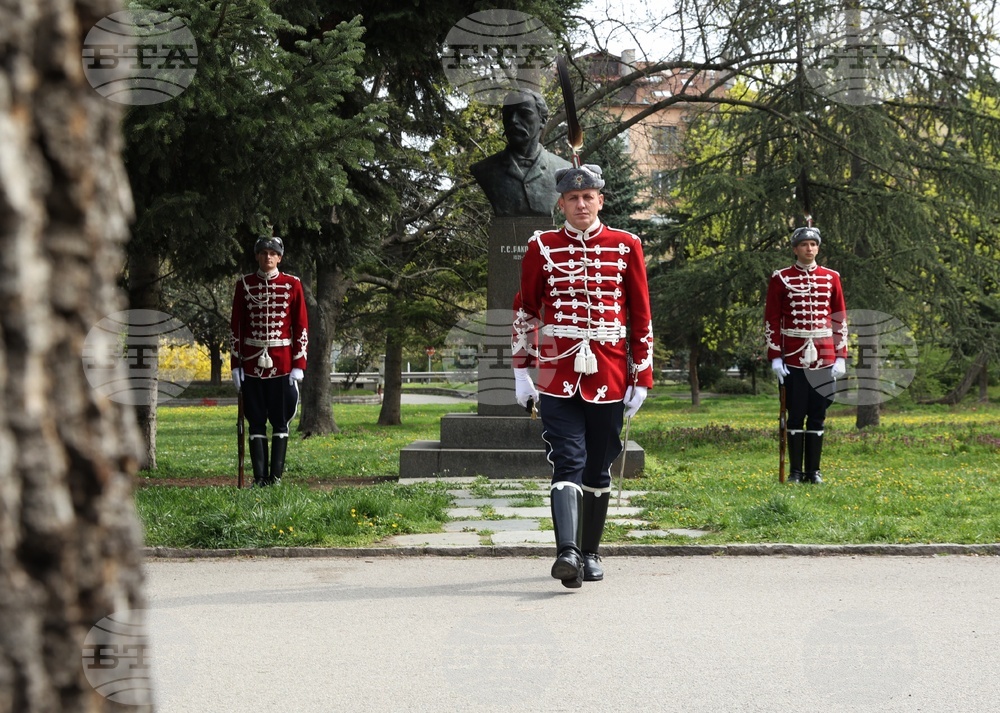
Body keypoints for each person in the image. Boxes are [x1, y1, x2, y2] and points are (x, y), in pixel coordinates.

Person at [511, 163, 654, 587]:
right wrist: (522, 370)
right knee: (567, 460)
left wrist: (641, 375)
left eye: (588, 196)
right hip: (557, 372)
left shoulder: (626, 245)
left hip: (609, 371)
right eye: (572, 198)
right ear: (561, 203)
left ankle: (590, 552)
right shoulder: (542, 246)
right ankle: (567, 553)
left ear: (600, 200)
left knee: (598, 466)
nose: (581, 204)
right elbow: (525, 309)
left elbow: (641, 315)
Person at [765, 226, 848, 484]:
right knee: (796, 412)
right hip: (793, 356)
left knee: (818, 413)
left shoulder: (832, 277)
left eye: (813, 244)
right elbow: (772, 319)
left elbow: (840, 319)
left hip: (824, 357)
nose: (809, 249)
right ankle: (795, 472)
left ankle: (814, 471)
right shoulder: (781, 278)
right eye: (804, 244)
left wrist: (841, 356)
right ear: (795, 249)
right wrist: (775, 356)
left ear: (818, 248)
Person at [230, 236, 309, 486]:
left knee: (280, 420)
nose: (268, 257)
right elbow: (237, 327)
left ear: (280, 257)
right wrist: (236, 365)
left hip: (283, 364)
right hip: (252, 365)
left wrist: (299, 364)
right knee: (255, 421)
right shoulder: (244, 285)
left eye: (272, 253)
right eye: (263, 253)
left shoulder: (292, 284)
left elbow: (301, 326)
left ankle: (275, 478)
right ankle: (259, 478)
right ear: (256, 256)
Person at [470, 89, 572, 218]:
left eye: (524, 114)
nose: (513, 120)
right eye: (508, 114)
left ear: (543, 120)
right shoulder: (484, 169)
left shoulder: (564, 169)